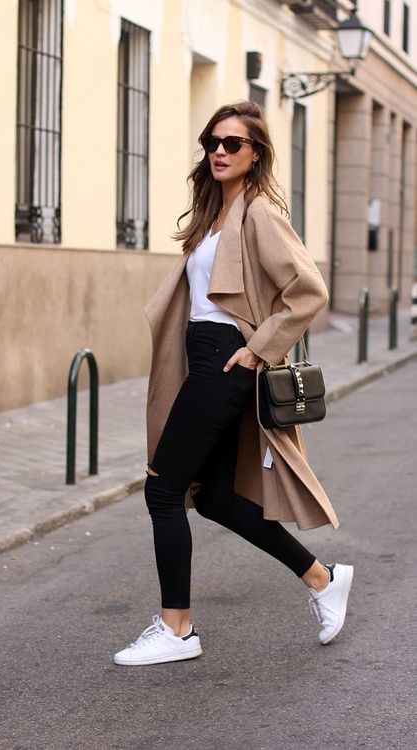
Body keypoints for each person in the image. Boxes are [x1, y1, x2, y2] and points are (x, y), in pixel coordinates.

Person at [114, 101, 353, 667]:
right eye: (212, 143)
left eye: (233, 143)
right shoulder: (216, 214)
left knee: (164, 490)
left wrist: (257, 349)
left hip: (227, 362)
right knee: (215, 498)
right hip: (204, 357)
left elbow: (308, 291)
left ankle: (177, 630)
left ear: (256, 153)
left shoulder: (259, 213)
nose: (219, 152)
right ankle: (322, 578)